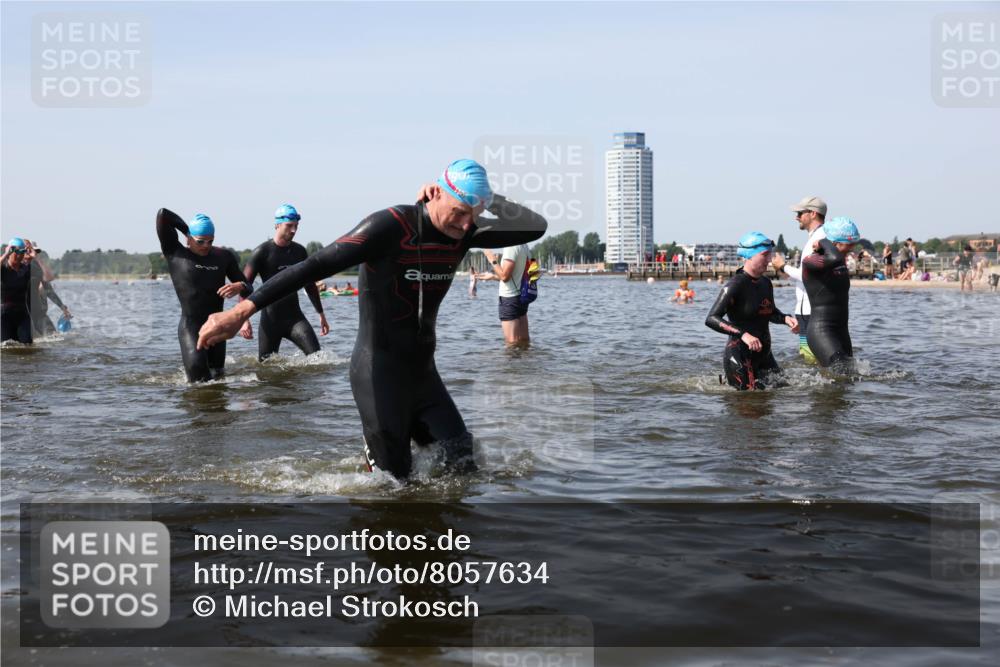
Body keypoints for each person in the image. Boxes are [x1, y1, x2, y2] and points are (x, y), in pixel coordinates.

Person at [196, 159, 547, 479]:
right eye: (460, 211)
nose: (467, 223)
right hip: (378, 374)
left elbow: (534, 226)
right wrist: (241, 310)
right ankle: (373, 455)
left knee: (463, 466)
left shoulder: (464, 231)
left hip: (424, 376)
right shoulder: (392, 225)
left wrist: (488, 200)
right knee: (394, 483)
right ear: (437, 193)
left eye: (475, 213)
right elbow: (314, 266)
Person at [156, 210, 252, 382]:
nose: (206, 245)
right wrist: (187, 230)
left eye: (210, 241)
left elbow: (249, 289)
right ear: (189, 239)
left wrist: (241, 285)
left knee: (218, 379)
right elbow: (163, 215)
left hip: (218, 328)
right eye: (200, 241)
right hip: (191, 328)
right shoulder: (175, 252)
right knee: (198, 380)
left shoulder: (223, 256)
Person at [705, 232, 798, 390]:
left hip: (764, 356)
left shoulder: (765, 283)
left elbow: (768, 311)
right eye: (765, 255)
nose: (769, 260)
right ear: (750, 255)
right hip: (740, 357)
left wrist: (785, 319)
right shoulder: (735, 285)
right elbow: (711, 318)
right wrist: (743, 335)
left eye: (770, 255)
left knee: (786, 392)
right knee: (748, 403)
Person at [239, 204, 329, 360]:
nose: (293, 230)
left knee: (318, 359)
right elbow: (244, 286)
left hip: (295, 319)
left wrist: (321, 315)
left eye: (296, 226)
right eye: (289, 225)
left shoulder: (299, 251)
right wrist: (244, 320)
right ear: (277, 225)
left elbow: (309, 285)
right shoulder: (262, 252)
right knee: (266, 367)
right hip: (270, 322)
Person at [772, 195, 827, 363]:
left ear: (813, 213)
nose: (796, 217)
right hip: (808, 309)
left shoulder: (818, 239)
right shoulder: (817, 237)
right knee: (812, 356)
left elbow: (806, 275)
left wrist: (782, 266)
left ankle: (817, 380)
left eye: (800, 213)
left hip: (810, 310)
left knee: (811, 358)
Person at [801, 216, 860, 369]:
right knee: (840, 372)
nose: (852, 248)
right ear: (834, 243)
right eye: (849, 244)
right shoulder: (812, 261)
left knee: (849, 376)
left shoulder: (839, 259)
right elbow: (834, 257)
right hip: (821, 331)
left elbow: (835, 257)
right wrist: (823, 241)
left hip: (842, 330)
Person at [481, 243, 532, 347]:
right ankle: (526, 358)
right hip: (522, 297)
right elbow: (516, 276)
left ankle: (513, 359)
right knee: (524, 342)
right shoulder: (524, 245)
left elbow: (505, 276)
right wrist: (493, 277)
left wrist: (491, 259)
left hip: (509, 299)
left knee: (512, 345)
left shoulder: (511, 246)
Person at [1, 238, 42, 344]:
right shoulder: (3, 268)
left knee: (28, 346)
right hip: (4, 316)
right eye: (16, 252)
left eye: (22, 252)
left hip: (22, 314)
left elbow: (48, 277)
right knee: (5, 346)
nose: (19, 255)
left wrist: (36, 257)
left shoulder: (27, 269)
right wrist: (5, 254)